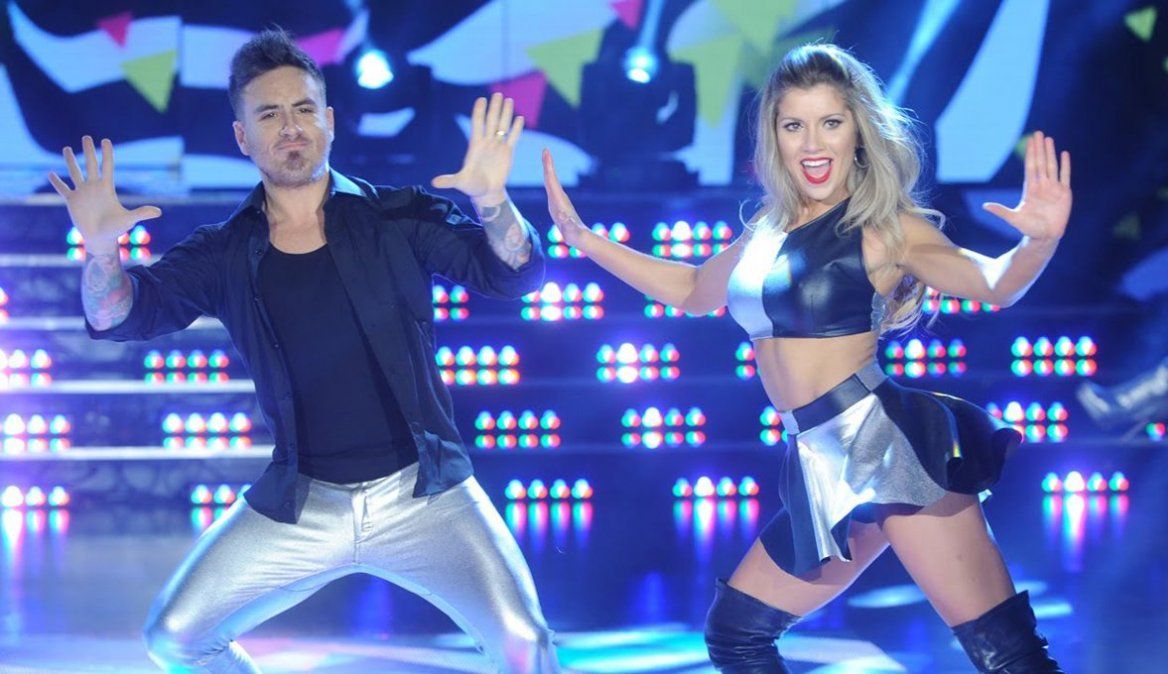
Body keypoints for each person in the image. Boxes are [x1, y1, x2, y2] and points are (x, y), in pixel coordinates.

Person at [542, 44, 1068, 673]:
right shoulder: (768, 228)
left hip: (888, 450)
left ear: (858, 132)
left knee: (1007, 656)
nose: (813, 144)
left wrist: (1038, 244)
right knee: (737, 634)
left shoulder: (885, 228)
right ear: (775, 136)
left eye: (831, 123)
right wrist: (585, 241)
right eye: (795, 125)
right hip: (819, 459)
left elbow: (993, 284)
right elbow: (692, 289)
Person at [49, 29, 560, 673]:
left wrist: (492, 201)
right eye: (269, 114)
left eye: (303, 109)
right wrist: (101, 251)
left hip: (426, 494)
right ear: (243, 137)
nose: (290, 127)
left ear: (329, 121)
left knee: (526, 646)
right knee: (174, 637)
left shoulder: (398, 217)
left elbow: (515, 274)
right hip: (302, 502)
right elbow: (119, 315)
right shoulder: (223, 251)